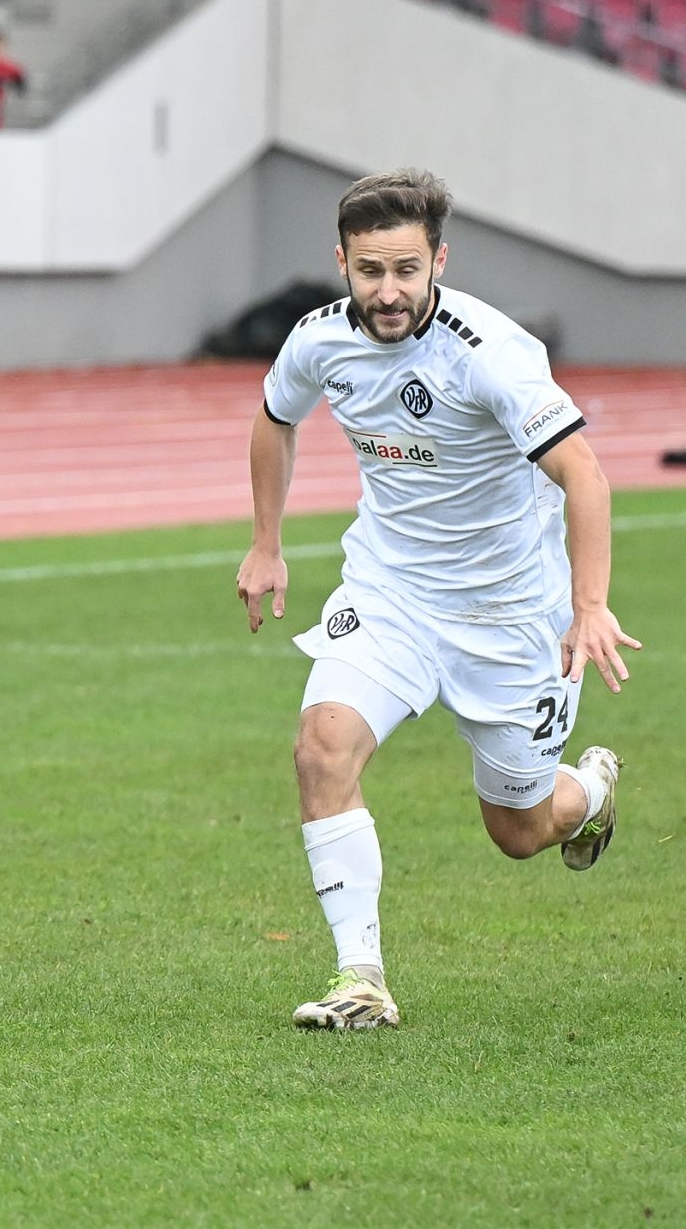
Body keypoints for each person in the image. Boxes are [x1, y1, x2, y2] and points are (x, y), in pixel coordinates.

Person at [235, 169, 639, 1031]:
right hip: (391, 595)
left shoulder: (489, 353)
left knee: (520, 829)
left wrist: (590, 605)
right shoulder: (317, 339)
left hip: (509, 618)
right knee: (321, 749)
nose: (388, 291)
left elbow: (584, 474)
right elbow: (275, 416)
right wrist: (267, 542)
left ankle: (591, 792)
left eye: (406, 270)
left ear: (438, 263)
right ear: (342, 263)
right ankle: (361, 979)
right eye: (370, 270)